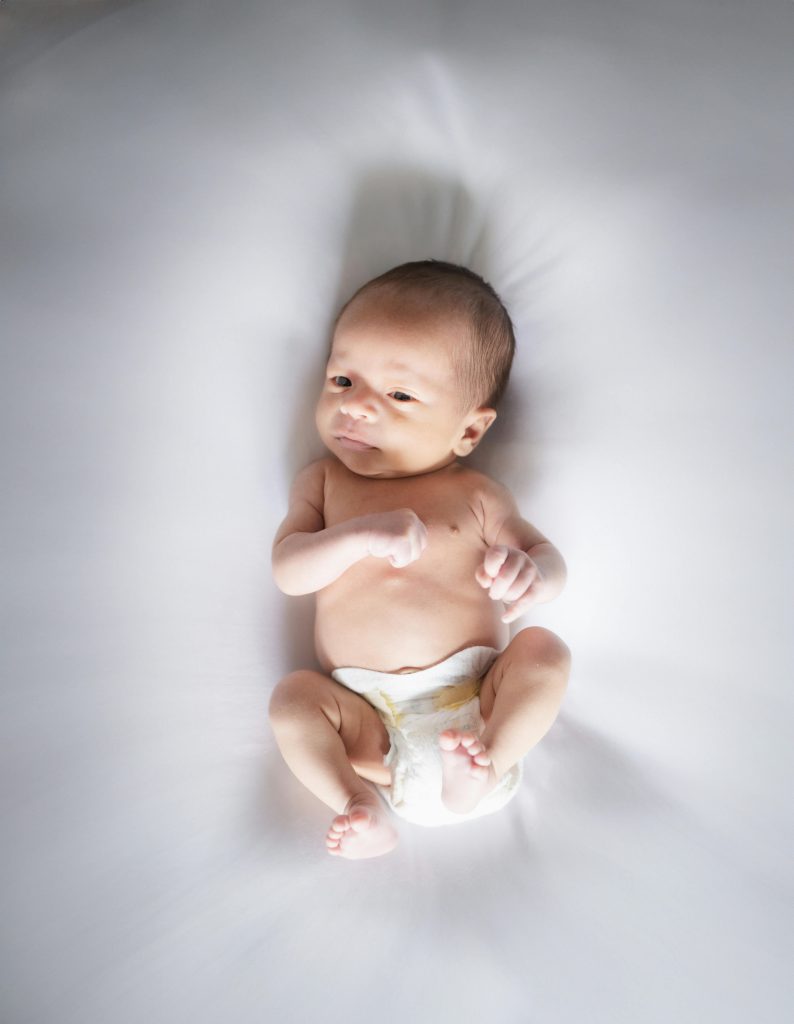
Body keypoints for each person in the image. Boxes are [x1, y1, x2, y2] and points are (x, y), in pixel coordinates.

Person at [269, 259, 570, 859]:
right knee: (293, 702)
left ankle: (489, 762)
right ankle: (356, 802)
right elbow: (289, 569)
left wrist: (532, 574)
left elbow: (547, 561)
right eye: (342, 381)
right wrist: (357, 537)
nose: (357, 408)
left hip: (477, 701)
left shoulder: (476, 495)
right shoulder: (324, 484)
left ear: (468, 432)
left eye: (400, 394)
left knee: (544, 652)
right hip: (369, 719)